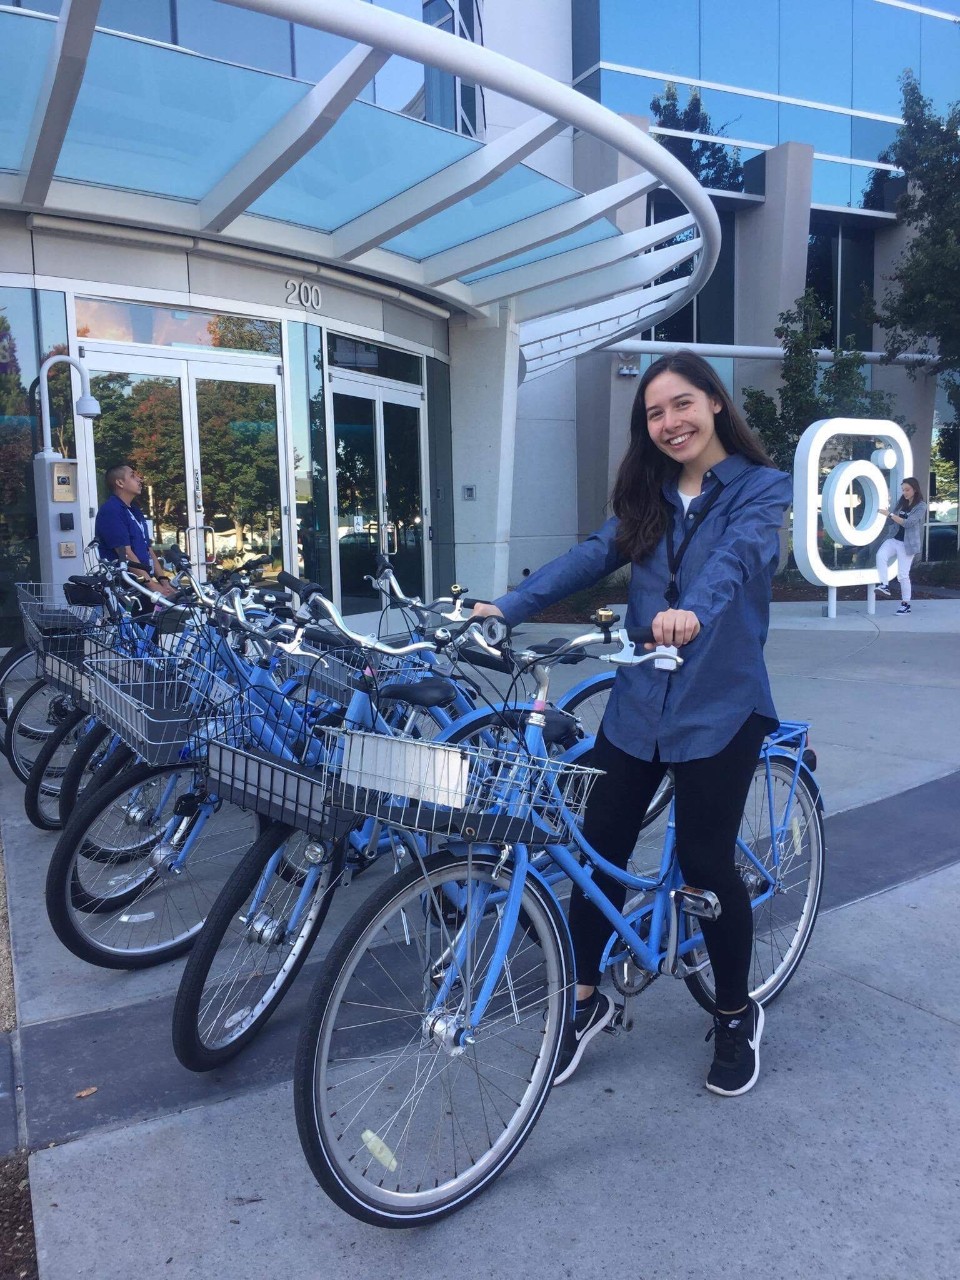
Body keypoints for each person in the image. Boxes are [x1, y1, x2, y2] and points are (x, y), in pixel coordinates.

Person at [473, 351, 792, 1098]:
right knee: (597, 847)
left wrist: (692, 614)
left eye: (682, 404)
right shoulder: (646, 495)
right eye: (654, 413)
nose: (670, 423)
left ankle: (737, 1014)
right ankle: (585, 1001)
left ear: (714, 403)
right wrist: (507, 609)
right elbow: (591, 556)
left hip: (722, 703)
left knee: (708, 865)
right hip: (638, 704)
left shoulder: (758, 487)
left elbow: (739, 560)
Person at [95, 463, 176, 599]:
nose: (139, 479)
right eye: (132, 476)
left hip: (143, 583)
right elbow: (125, 552)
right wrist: (151, 585)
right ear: (120, 483)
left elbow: (148, 549)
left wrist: (163, 581)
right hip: (126, 587)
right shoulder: (111, 511)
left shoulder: (135, 511)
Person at [875, 478, 926, 615]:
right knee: (880, 555)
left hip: (907, 544)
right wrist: (882, 517)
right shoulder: (901, 502)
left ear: (915, 489)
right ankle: (884, 585)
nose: (905, 492)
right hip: (894, 539)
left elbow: (908, 523)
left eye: (907, 489)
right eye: (903, 490)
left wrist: (890, 514)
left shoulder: (921, 506)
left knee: (903, 575)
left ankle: (905, 605)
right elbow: (891, 521)